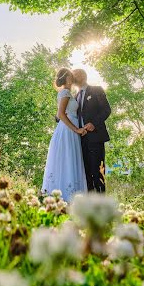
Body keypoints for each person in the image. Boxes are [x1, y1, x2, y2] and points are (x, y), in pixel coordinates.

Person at [42, 68, 87, 202]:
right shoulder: (65, 92)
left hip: (69, 130)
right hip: (68, 131)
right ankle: (66, 198)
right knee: (67, 159)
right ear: (65, 78)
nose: (72, 78)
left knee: (70, 160)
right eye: (70, 76)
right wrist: (77, 129)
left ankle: (70, 196)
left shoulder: (68, 93)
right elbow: (61, 114)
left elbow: (59, 114)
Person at [72, 69, 111, 193]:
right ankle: (90, 204)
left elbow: (106, 110)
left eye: (75, 76)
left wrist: (94, 123)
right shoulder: (75, 97)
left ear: (83, 76)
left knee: (98, 171)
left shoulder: (96, 90)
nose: (73, 78)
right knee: (86, 173)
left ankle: (101, 204)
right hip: (80, 140)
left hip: (96, 138)